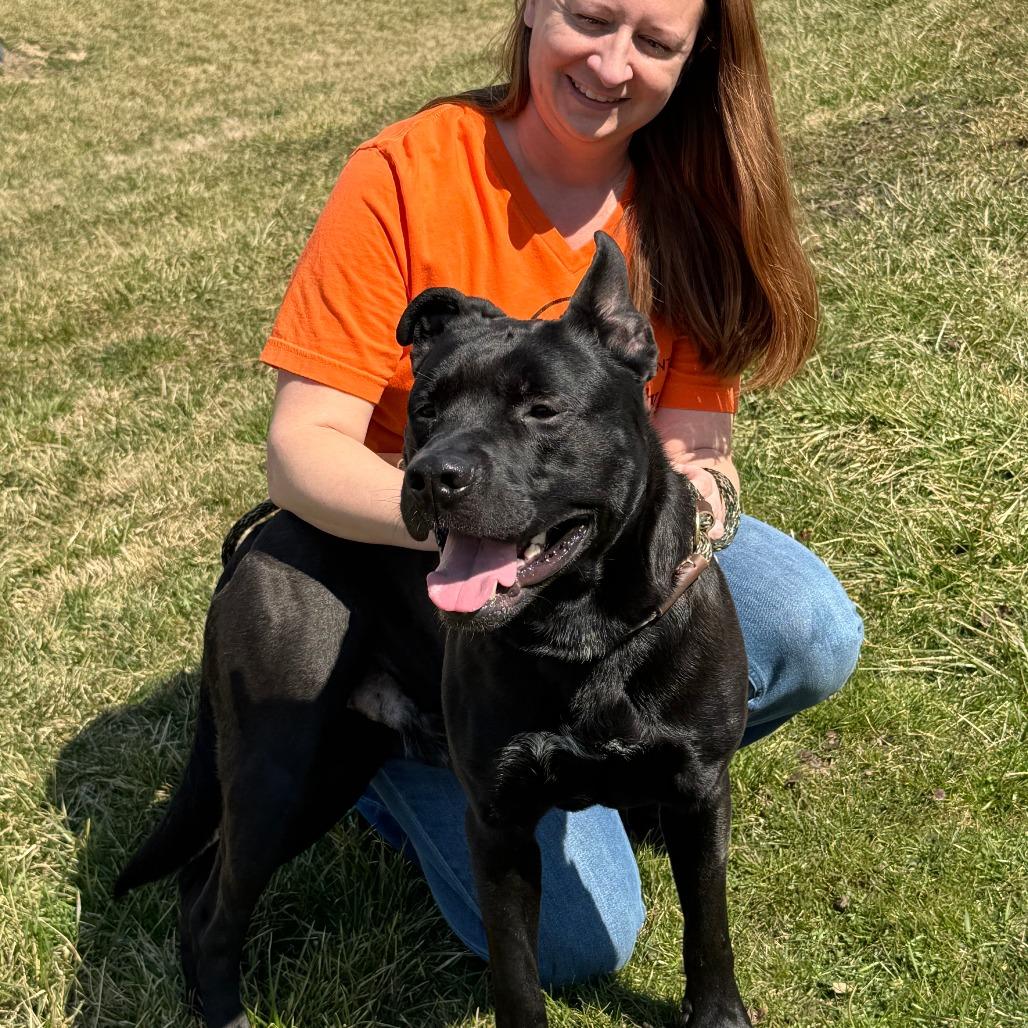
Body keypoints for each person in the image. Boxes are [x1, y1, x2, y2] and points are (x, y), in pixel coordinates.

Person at [259, 0, 863, 989]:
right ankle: (406, 750)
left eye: (656, 42)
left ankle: (596, 759)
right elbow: (301, 449)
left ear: (690, 59)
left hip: (594, 545)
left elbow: (692, 450)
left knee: (805, 626)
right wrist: (466, 538)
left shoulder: (686, 202)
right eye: (590, 15)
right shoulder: (408, 171)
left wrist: (694, 528)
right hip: (429, 582)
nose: (611, 62)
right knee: (583, 947)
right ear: (534, 6)